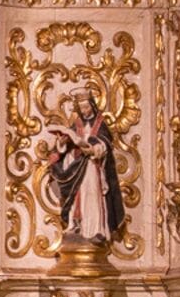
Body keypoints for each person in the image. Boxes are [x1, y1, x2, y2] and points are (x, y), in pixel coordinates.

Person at [33, 86, 125, 253]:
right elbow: (66, 144)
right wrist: (62, 142)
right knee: (77, 195)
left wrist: (95, 149)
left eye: (87, 107)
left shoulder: (99, 122)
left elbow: (106, 143)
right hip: (77, 166)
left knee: (92, 196)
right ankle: (76, 224)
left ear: (92, 105)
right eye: (81, 108)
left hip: (93, 166)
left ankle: (97, 230)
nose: (84, 111)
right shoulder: (77, 124)